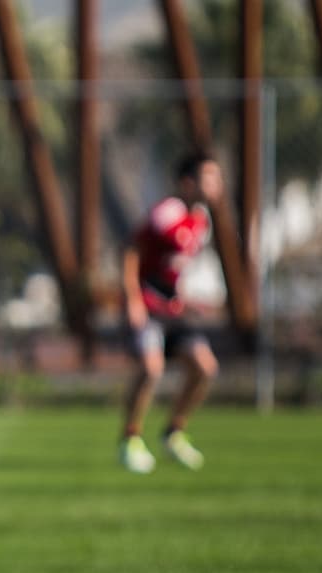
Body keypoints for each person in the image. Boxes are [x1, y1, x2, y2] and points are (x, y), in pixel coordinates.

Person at [117, 151, 223, 473]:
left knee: (204, 367)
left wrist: (185, 298)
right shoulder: (167, 213)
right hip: (149, 306)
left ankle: (174, 432)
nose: (216, 184)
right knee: (151, 369)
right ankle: (130, 439)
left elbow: (174, 269)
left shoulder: (201, 221)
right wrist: (133, 299)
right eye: (209, 177)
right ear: (187, 182)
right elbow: (131, 252)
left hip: (171, 308)